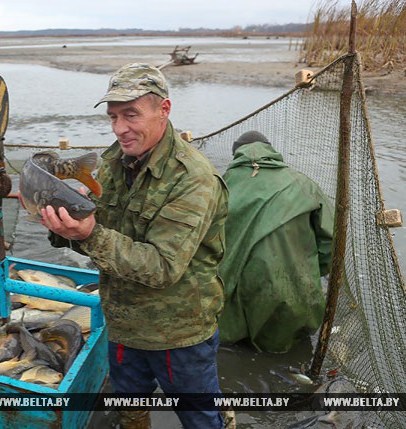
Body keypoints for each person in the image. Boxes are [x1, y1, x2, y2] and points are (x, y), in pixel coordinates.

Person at [39, 63, 229, 429]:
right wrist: (62, 225)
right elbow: (98, 238)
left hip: (179, 333)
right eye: (112, 117)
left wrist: (89, 234)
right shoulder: (113, 163)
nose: (119, 128)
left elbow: (162, 267)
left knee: (200, 417)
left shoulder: (193, 179)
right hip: (124, 325)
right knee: (129, 407)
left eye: (131, 115)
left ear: (164, 109)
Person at [218, 131, 334, 353]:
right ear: (271, 151)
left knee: (231, 347)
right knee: (285, 347)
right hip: (291, 300)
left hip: (231, 301)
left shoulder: (219, 184)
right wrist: (312, 273)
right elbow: (329, 240)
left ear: (236, 155)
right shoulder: (304, 184)